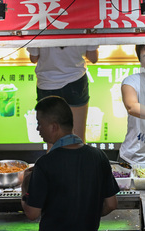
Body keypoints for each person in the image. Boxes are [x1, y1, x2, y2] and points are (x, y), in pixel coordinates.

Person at [21, 96, 119, 231]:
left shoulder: (45, 164)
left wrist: (25, 185)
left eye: (40, 123)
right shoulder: (99, 157)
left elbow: (32, 213)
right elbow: (112, 204)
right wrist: (89, 217)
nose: (38, 129)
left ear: (54, 127)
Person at [27, 46, 99, 143]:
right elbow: (93, 58)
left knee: (52, 141)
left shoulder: (37, 30)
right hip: (75, 79)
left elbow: (33, 58)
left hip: (47, 82)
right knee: (78, 137)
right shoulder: (81, 29)